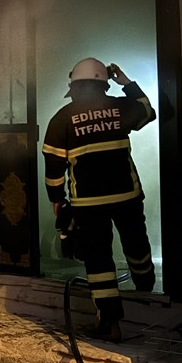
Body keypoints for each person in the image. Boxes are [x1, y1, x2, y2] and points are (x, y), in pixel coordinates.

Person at [42, 58, 157, 342]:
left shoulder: (61, 119)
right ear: (105, 84)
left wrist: (57, 199)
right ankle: (147, 290)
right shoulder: (120, 107)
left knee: (98, 260)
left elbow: (54, 168)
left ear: (73, 86)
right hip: (127, 195)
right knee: (136, 244)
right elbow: (148, 112)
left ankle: (109, 322)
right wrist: (127, 83)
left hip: (88, 203)